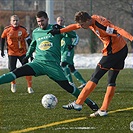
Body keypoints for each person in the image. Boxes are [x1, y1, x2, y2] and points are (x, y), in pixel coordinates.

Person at [0, 11, 99, 111]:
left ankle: (90, 103)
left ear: (47, 19)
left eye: (42, 21)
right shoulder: (36, 32)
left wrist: (61, 29)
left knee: (68, 87)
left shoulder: (55, 29)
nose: (40, 23)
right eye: (38, 21)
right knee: (15, 72)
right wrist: (28, 55)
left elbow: (73, 35)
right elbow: (33, 44)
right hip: (37, 63)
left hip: (53, 66)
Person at [48, 11, 133, 117]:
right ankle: (103, 110)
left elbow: (118, 29)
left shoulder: (101, 25)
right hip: (121, 49)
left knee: (95, 77)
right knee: (111, 80)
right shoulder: (90, 20)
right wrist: (60, 31)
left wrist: (131, 38)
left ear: (88, 20)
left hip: (113, 53)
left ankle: (78, 103)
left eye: (83, 24)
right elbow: (75, 26)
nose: (82, 26)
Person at [1, 15, 34, 93]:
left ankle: (29, 87)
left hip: (22, 53)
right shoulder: (7, 30)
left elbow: (29, 42)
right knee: (11, 70)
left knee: (27, 69)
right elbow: (2, 39)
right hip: (11, 53)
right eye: (14, 20)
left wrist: (31, 54)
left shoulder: (23, 30)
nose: (15, 22)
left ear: (19, 21)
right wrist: (2, 50)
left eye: (17, 20)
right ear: (11, 22)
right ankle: (13, 84)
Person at [56, 16, 86, 89]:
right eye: (59, 20)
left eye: (61, 20)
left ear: (64, 21)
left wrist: (73, 45)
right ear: (57, 22)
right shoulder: (57, 31)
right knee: (71, 68)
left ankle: (70, 83)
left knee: (63, 65)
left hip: (68, 51)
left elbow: (76, 37)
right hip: (62, 52)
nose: (60, 22)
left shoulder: (67, 29)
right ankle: (84, 82)